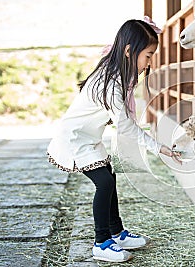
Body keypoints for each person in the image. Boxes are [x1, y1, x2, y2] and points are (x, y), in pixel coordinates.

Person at [47, 17, 181, 262]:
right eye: (148, 55)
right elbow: (126, 127)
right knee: (104, 183)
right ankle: (101, 242)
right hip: (74, 140)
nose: (149, 62)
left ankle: (116, 232)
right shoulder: (111, 83)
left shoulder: (119, 72)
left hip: (88, 138)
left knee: (109, 177)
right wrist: (158, 147)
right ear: (129, 51)